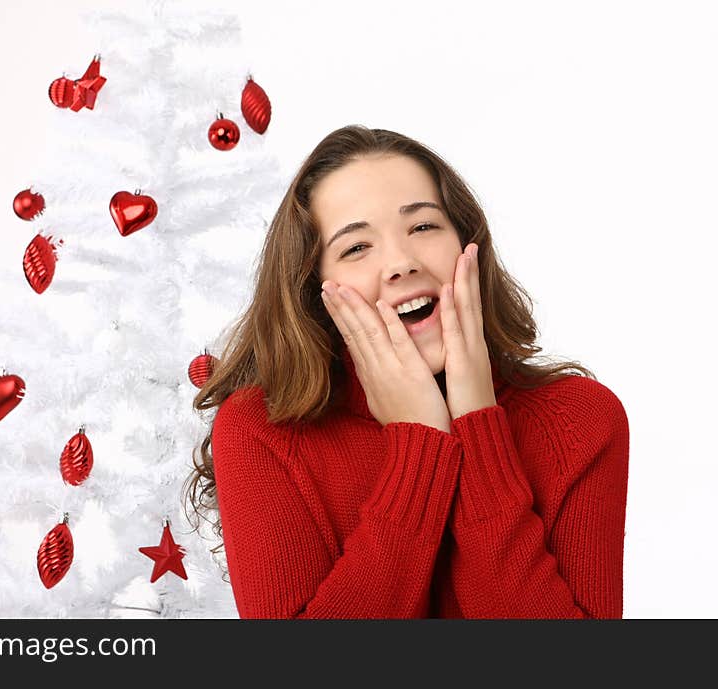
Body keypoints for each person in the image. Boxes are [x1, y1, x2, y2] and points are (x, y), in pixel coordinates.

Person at [183, 125, 629, 619]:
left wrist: (478, 425)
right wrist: (418, 443)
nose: (400, 263)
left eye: (423, 227)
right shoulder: (262, 429)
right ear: (316, 289)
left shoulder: (581, 419)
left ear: (468, 244)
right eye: (356, 247)